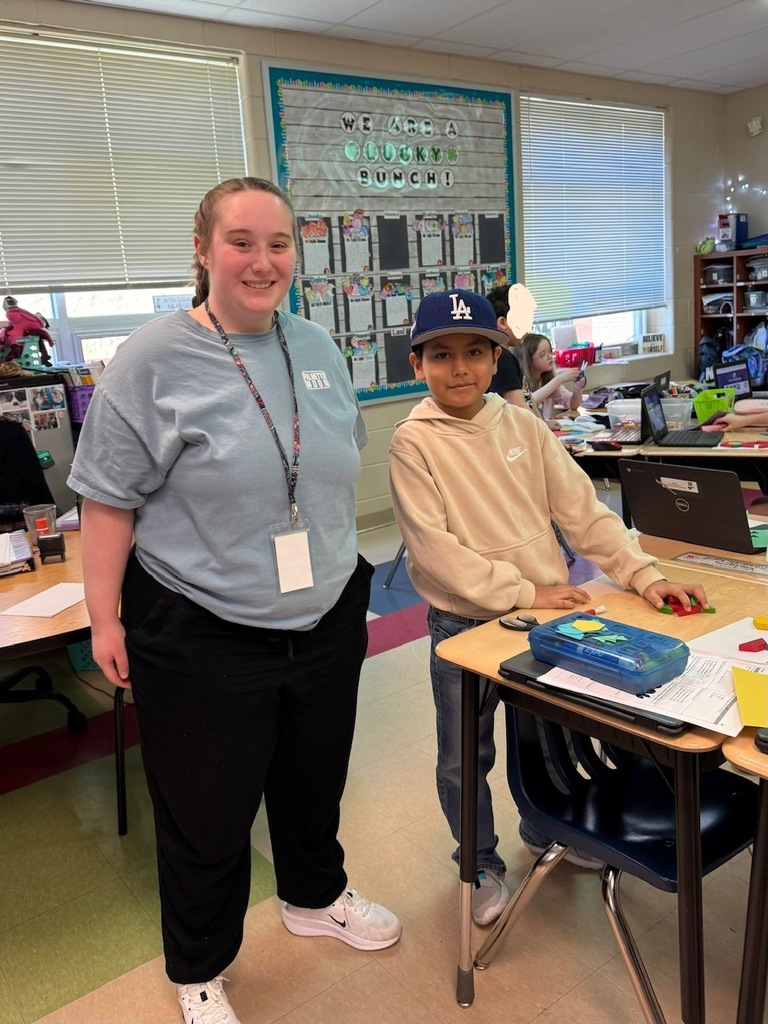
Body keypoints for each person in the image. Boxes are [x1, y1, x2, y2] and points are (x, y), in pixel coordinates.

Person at [68, 177, 401, 1024]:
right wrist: (104, 616)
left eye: (280, 243)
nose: (263, 261)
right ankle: (200, 968)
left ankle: (313, 897)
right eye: (242, 242)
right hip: (201, 628)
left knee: (312, 782)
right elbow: (107, 502)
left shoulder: (318, 346)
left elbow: (326, 470)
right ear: (203, 249)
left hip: (324, 618)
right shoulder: (152, 359)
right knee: (206, 812)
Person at [388, 287, 708, 928]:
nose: (460, 368)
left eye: (475, 351)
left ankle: (546, 829)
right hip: (464, 624)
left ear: (495, 356)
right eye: (442, 355)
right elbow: (435, 554)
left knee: (554, 737)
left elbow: (584, 513)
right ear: (417, 365)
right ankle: (477, 861)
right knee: (462, 758)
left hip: (547, 623)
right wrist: (524, 590)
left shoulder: (524, 427)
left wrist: (641, 575)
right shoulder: (411, 443)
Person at [520, 332, 585, 426]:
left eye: (550, 351)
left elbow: (572, 404)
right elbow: (528, 401)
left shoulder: (549, 377)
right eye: (543, 355)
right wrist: (559, 379)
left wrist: (577, 388)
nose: (550, 356)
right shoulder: (521, 380)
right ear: (529, 360)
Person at [485, 284, 528, 408]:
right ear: (502, 323)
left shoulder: (506, 356)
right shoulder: (503, 358)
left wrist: (544, 423)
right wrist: (542, 427)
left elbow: (527, 400)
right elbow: (518, 406)